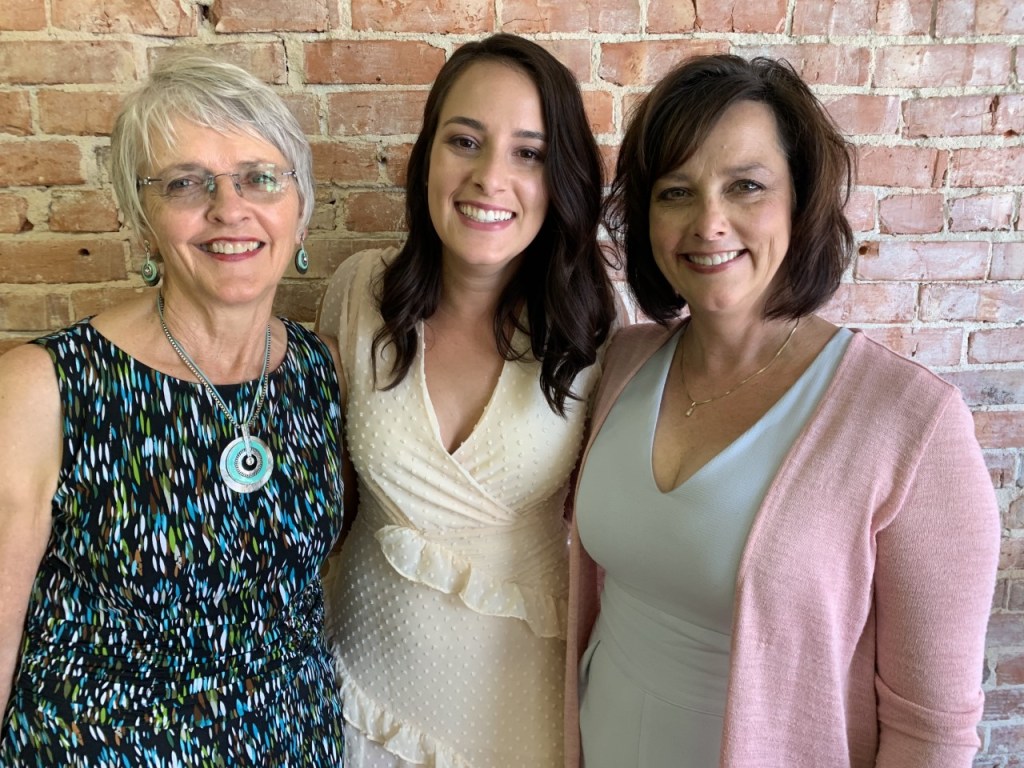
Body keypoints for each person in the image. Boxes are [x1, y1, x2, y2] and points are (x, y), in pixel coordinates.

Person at [565, 54, 1001, 768]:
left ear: (799, 202)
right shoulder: (623, 365)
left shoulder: (911, 424)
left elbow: (933, 733)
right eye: (676, 192)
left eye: (746, 186)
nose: (710, 222)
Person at [0, 55, 346, 764]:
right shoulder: (48, 385)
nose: (229, 208)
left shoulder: (320, 371)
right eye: (187, 183)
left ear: (300, 206)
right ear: (141, 218)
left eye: (260, 177)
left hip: (293, 745)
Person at [317, 32, 616, 768]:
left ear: (562, 177)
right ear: (427, 157)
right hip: (360, 687)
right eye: (465, 141)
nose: (490, 177)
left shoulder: (598, 332)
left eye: (529, 153)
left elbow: (610, 536)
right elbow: (331, 506)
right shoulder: (359, 294)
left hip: (518, 706)